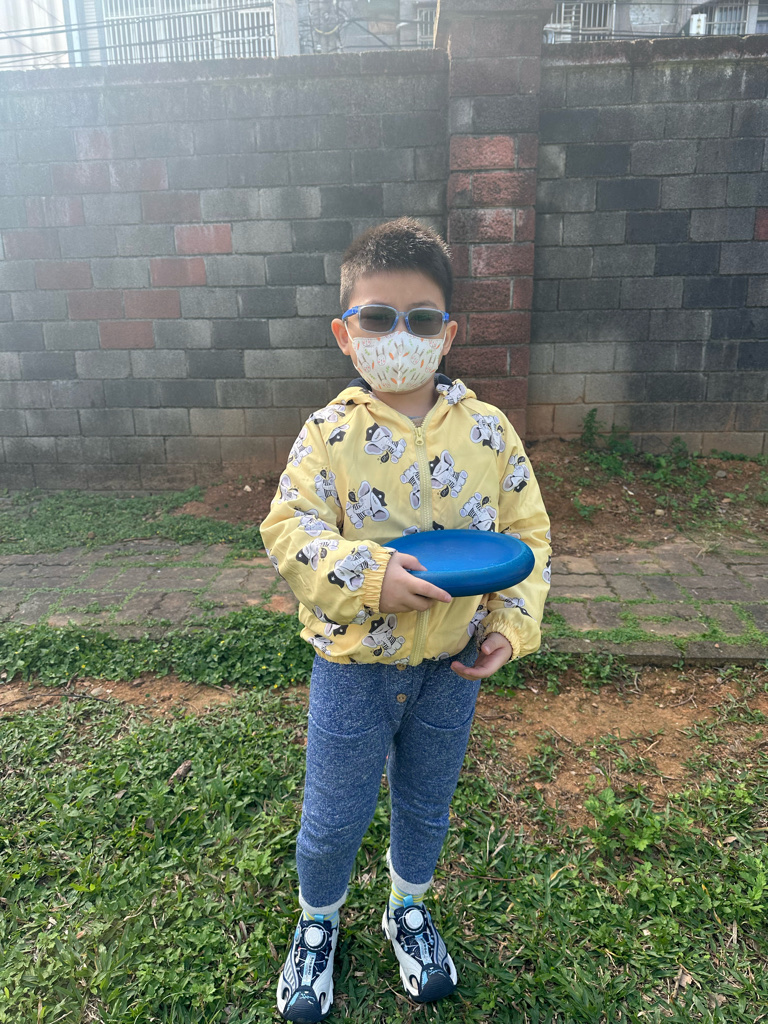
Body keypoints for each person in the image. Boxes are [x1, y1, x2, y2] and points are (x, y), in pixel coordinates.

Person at [260, 217, 551, 1022]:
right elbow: (289, 530)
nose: (399, 336)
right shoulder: (328, 434)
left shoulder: (489, 432)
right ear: (345, 334)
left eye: (420, 319)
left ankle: (407, 909)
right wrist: (368, 576)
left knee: (427, 804)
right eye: (377, 317)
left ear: (447, 333)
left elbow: (526, 534)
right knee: (332, 817)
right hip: (353, 667)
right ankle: (317, 922)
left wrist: (510, 624)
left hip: (451, 666)